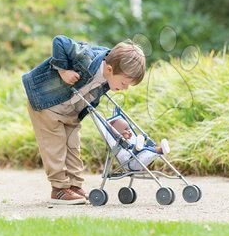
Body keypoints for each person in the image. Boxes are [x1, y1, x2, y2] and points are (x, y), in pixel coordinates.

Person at [22, 35, 146, 205]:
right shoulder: (86, 57)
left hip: (69, 111)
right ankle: (59, 189)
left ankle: (74, 186)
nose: (124, 88)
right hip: (46, 103)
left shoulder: (110, 74)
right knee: (55, 145)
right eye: (124, 83)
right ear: (109, 69)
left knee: (73, 146)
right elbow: (60, 41)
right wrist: (63, 71)